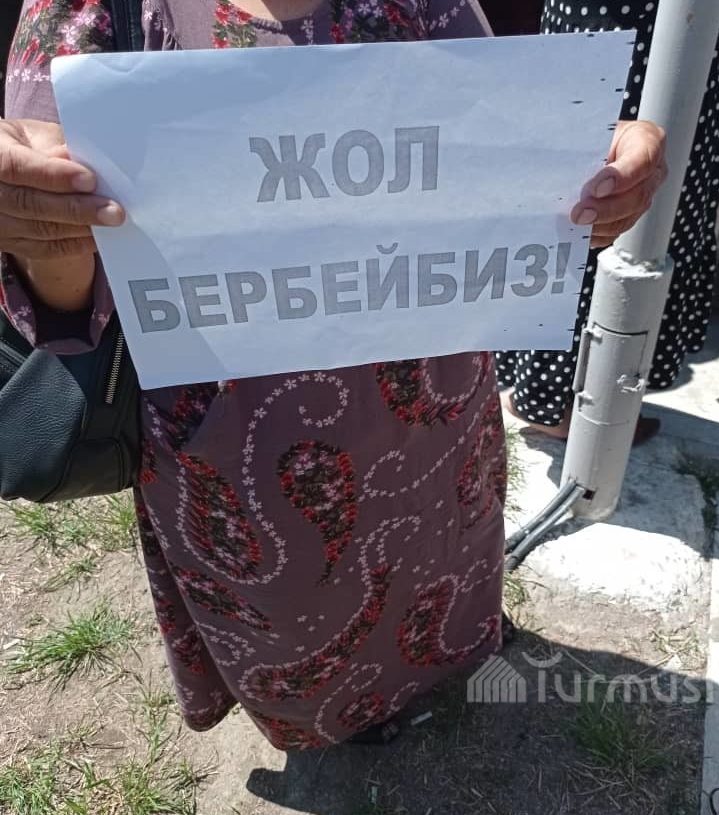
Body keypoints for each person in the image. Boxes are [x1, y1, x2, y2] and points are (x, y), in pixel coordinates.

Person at [0, 0, 665, 750]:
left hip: (434, 406)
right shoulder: (92, 14)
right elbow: (66, 308)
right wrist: (45, 236)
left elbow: (499, 152)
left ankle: (434, 660)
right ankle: (333, 722)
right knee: (298, 610)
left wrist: (585, 174)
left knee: (440, 552)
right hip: (238, 442)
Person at [496, 0, 719, 443]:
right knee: (597, 223)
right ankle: (550, 401)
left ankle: (561, 393)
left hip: (672, 43)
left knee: (620, 218)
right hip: (637, 43)